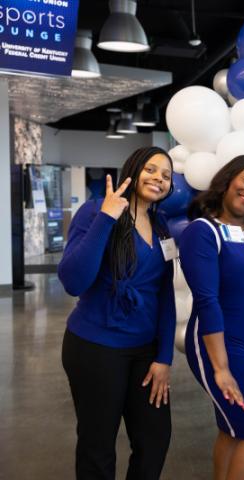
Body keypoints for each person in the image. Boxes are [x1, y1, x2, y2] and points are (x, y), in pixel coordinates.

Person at [59, 146, 176, 479]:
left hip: (146, 350)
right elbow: (73, 281)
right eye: (152, 170)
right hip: (95, 347)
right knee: (98, 445)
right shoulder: (95, 211)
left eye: (166, 176)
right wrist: (107, 217)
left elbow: (165, 294)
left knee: (155, 439)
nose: (159, 178)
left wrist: (164, 357)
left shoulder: (162, 225)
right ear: (134, 169)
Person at [179, 156, 244, 480]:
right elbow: (207, 301)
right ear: (227, 179)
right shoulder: (202, 231)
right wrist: (221, 369)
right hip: (218, 346)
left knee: (233, 429)